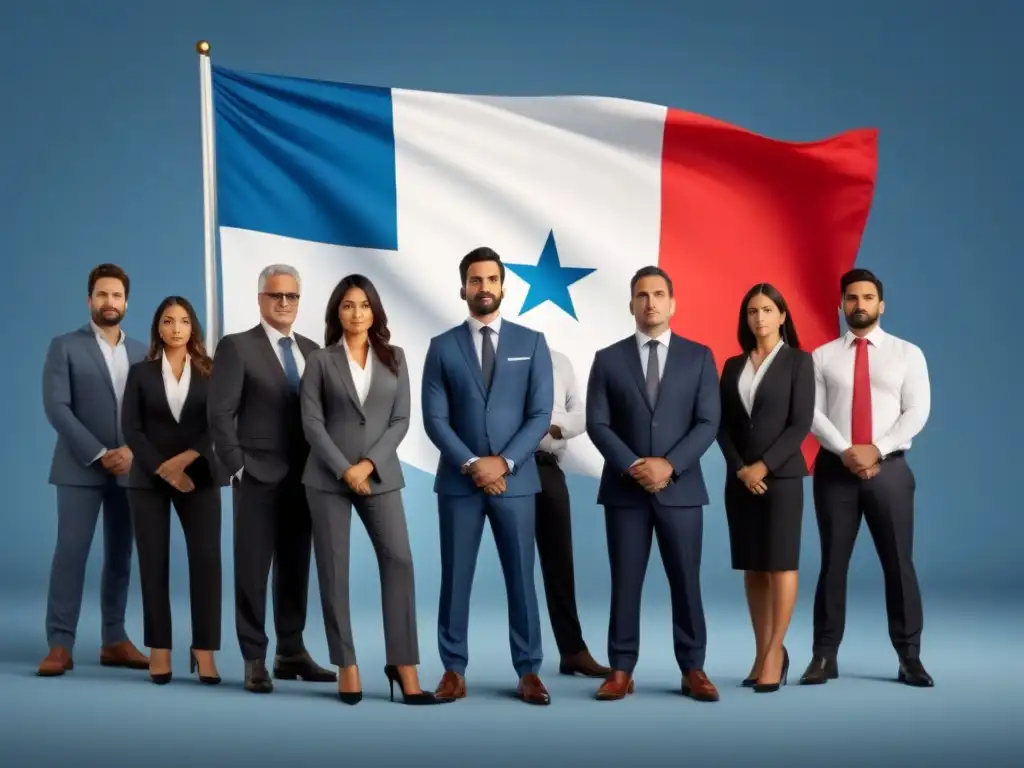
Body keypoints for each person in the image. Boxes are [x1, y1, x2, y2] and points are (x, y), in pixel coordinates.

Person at [300, 275, 446, 706]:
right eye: (347, 306)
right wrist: (346, 469)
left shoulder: (396, 358)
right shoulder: (320, 361)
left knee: (399, 560)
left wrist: (366, 465)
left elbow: (400, 420)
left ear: (375, 311)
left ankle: (404, 664)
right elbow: (311, 423)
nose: (357, 313)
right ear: (337, 313)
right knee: (333, 569)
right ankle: (347, 664)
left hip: (379, 475)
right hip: (327, 477)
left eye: (364, 305)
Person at [422, 247, 555, 705]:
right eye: (475, 280)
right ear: (463, 288)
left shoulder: (531, 342)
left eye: (491, 280)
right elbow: (435, 420)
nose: (484, 288)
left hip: (516, 482)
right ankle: (453, 670)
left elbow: (539, 414)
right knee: (456, 576)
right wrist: (474, 465)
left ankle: (529, 670)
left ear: (503, 286)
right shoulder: (442, 346)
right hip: (459, 483)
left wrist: (505, 462)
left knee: (521, 575)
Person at [586, 265, 721, 703]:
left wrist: (670, 465)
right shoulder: (608, 359)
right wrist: (632, 465)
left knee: (686, 581)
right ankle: (621, 669)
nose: (651, 303)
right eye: (642, 295)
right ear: (631, 305)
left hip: (680, 490)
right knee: (625, 581)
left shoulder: (699, 357)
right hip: (625, 491)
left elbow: (707, 422)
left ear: (672, 303)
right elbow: (598, 423)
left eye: (659, 294)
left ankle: (693, 668)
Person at [800, 268, 933, 687]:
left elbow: (917, 410)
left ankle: (909, 657)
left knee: (898, 564)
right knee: (832, 565)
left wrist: (876, 448)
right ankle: (824, 657)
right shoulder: (821, 357)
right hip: (835, 471)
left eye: (868, 298)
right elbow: (813, 414)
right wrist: (846, 451)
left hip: (889, 469)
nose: (859, 305)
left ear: (881, 305)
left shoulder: (907, 353)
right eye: (852, 298)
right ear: (841, 305)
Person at [207, 264, 334, 693]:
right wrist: (237, 467)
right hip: (256, 477)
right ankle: (253, 658)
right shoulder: (237, 347)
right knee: (252, 570)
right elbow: (219, 413)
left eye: (292, 297)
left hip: (306, 478)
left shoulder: (314, 350)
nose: (284, 303)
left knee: (296, 568)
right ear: (260, 299)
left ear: (299, 301)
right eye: (276, 296)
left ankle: (291, 652)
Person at [38, 263, 150, 676]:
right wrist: (100, 451)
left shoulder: (142, 351)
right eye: (102, 295)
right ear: (90, 300)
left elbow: (151, 414)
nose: (109, 302)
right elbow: (57, 408)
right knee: (71, 553)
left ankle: (115, 639)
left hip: (130, 469)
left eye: (117, 295)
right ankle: (60, 644)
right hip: (78, 468)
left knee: (120, 555)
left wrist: (132, 453)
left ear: (126, 302)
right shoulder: (64, 346)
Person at [121, 296, 225, 685]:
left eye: (183, 321)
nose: (176, 328)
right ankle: (159, 648)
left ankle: (204, 650)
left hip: (199, 477)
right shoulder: (140, 373)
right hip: (148, 479)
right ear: (158, 329)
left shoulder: (212, 372)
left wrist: (184, 462)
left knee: (207, 564)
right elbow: (131, 429)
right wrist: (165, 470)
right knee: (153, 564)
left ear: (192, 328)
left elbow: (217, 423)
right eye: (168, 321)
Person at [716, 283, 814, 693]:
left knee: (781, 565)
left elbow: (800, 424)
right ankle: (761, 652)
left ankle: (776, 651)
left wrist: (764, 466)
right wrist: (741, 469)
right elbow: (722, 426)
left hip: (783, 479)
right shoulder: (733, 365)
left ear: (782, 316)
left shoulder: (798, 362)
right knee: (753, 566)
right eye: (752, 311)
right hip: (739, 482)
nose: (759, 318)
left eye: (767, 310)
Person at [535, 348, 610, 678]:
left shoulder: (558, 360)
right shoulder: (500, 357)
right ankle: (525, 660)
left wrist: (550, 426)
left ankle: (573, 652)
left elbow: (580, 414)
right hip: (508, 467)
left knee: (559, 563)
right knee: (516, 566)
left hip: (548, 466)